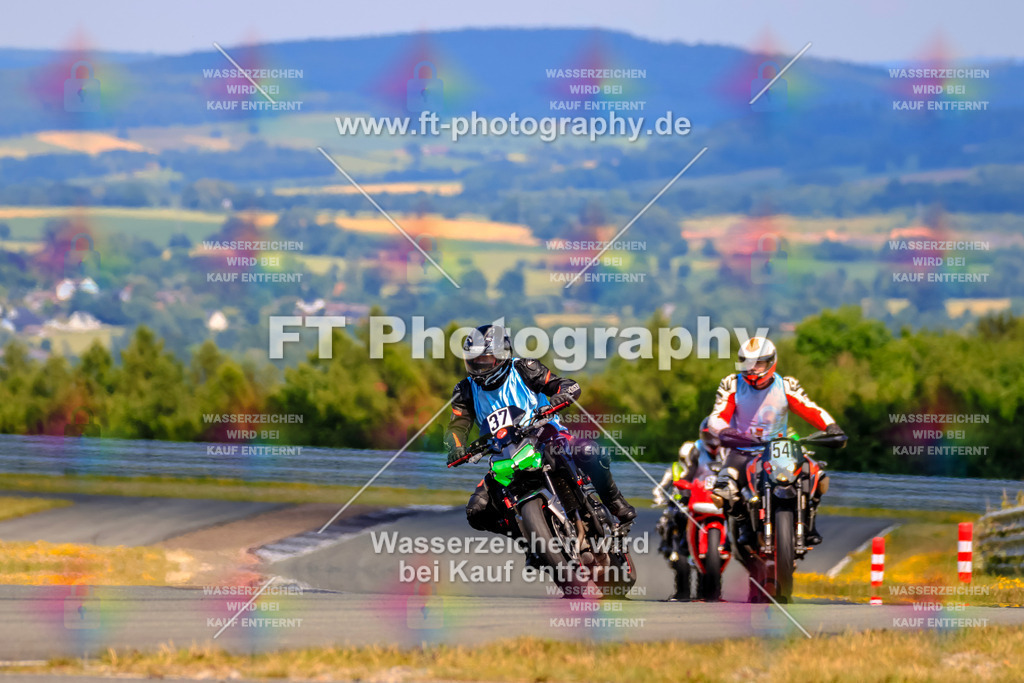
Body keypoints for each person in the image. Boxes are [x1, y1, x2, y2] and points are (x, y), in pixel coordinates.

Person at [444, 324, 637, 539]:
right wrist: (456, 447)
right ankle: (529, 539)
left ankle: (615, 503)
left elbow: (565, 385)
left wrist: (559, 397)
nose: (478, 367)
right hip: (502, 453)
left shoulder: (525, 368)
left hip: (546, 434)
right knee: (476, 511)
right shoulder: (464, 390)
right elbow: (457, 426)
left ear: (501, 356)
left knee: (590, 451)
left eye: (484, 361)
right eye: (473, 361)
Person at [709, 336, 844, 547]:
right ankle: (744, 526)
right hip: (742, 449)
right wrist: (726, 431)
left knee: (818, 475)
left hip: (780, 449)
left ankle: (809, 525)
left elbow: (810, 409)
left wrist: (831, 427)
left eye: (758, 363)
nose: (752, 369)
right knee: (722, 490)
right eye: (747, 363)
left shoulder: (786, 385)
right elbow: (717, 416)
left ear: (771, 362)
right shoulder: (732, 383)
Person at [653, 419, 722, 600]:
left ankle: (707, 589)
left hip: (711, 503)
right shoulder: (687, 461)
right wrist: (664, 495)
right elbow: (666, 485)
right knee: (671, 527)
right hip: (686, 505)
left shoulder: (724, 455)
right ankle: (671, 549)